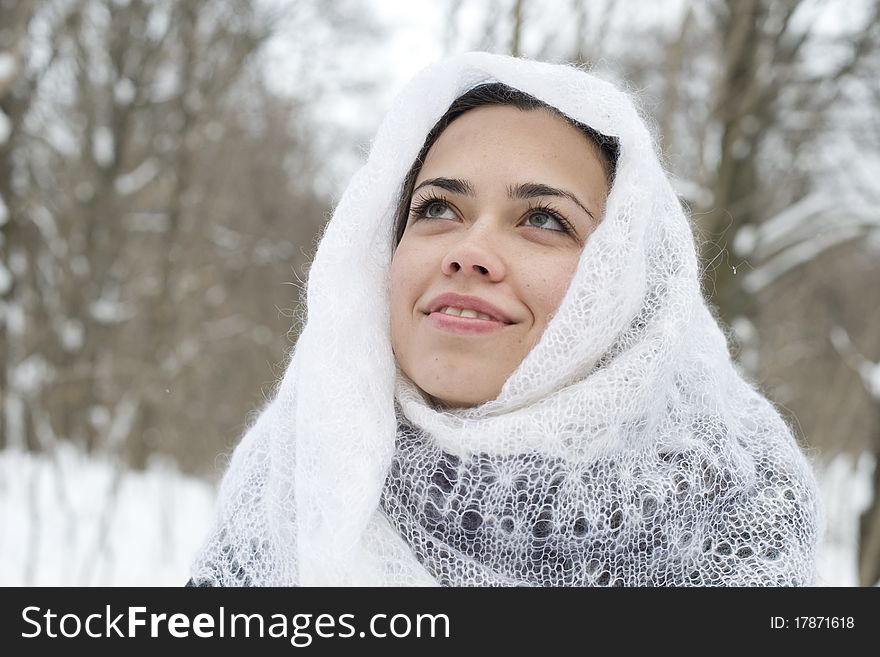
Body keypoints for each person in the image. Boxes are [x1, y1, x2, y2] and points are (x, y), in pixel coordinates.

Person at [188, 52, 823, 586]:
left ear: (623, 286)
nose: (468, 253)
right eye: (437, 208)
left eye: (544, 220)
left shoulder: (735, 518)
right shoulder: (291, 479)